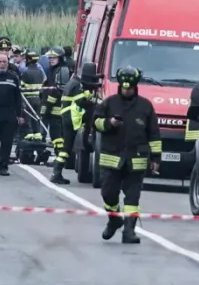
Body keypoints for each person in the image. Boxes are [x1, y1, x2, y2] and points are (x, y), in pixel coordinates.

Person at [92, 66, 161, 245]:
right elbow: (95, 123)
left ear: (135, 86)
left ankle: (129, 231)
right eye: (124, 88)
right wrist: (109, 123)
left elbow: (154, 134)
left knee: (132, 198)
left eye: (129, 88)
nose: (126, 90)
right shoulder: (109, 103)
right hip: (111, 159)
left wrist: (156, 159)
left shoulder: (145, 106)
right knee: (108, 193)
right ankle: (114, 219)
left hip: (136, 160)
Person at [52, 62, 100, 185]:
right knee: (67, 148)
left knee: (66, 147)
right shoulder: (78, 85)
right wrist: (93, 102)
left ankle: (56, 172)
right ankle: (56, 173)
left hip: (67, 117)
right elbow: (80, 101)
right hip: (70, 118)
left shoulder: (73, 82)